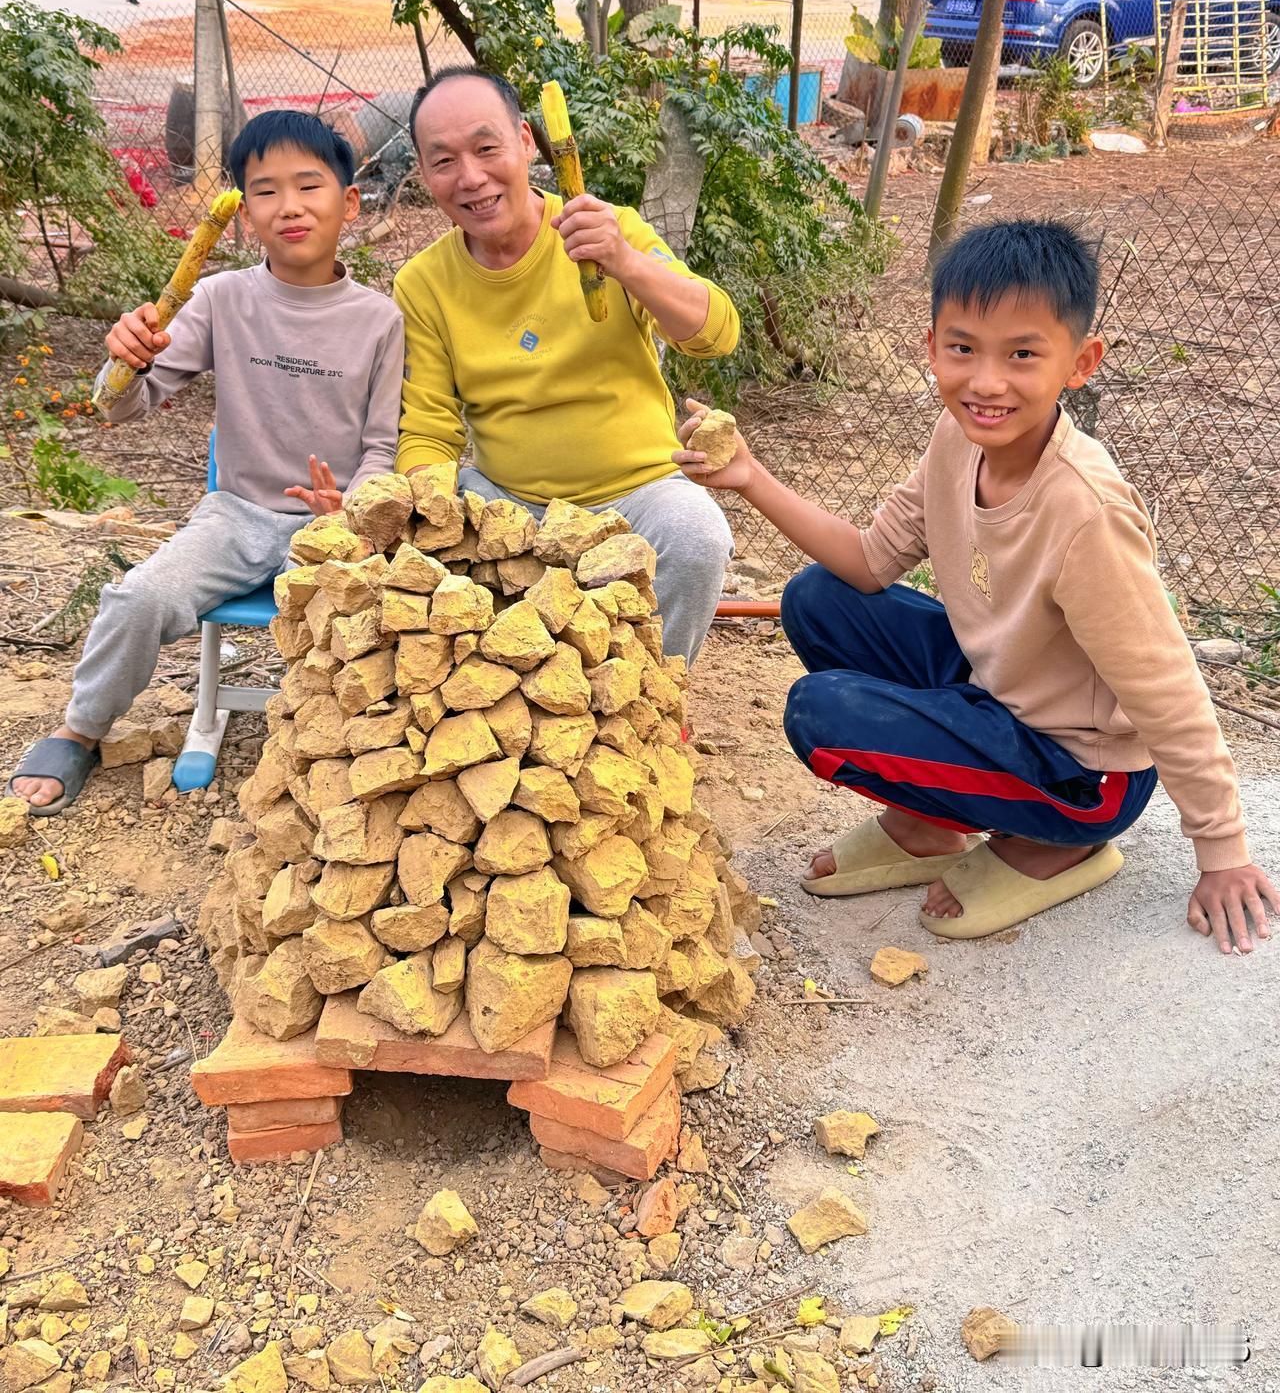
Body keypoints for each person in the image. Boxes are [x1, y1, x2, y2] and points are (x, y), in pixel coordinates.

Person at [675, 220, 1276, 955]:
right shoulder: (956, 439)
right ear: (932, 347)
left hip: (1083, 768)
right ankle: (933, 822)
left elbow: (1165, 685)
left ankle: (1062, 842)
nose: (986, 382)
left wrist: (1223, 851)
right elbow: (868, 561)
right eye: (963, 349)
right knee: (816, 599)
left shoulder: (1087, 515)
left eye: (1023, 354)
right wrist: (749, 477)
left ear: (1079, 362)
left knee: (822, 714)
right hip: (1001, 691)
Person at [7, 110, 404, 816]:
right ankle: (81, 728)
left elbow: (381, 445)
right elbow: (123, 405)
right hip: (236, 515)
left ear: (348, 203)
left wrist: (357, 505)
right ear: (244, 215)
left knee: (379, 623)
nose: (288, 206)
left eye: (309, 186)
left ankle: (359, 748)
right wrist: (123, 361)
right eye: (264, 191)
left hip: (334, 525)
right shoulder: (221, 298)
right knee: (139, 598)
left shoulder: (380, 320)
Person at [397, 65, 739, 667]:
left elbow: (714, 334)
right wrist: (425, 511)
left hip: (638, 495)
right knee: (425, 541)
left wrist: (625, 262)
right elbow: (427, 426)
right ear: (424, 175)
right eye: (443, 160)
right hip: (509, 503)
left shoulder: (610, 231)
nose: (471, 177)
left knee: (696, 537)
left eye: (486, 148)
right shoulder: (423, 284)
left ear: (527, 141)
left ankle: (656, 695)